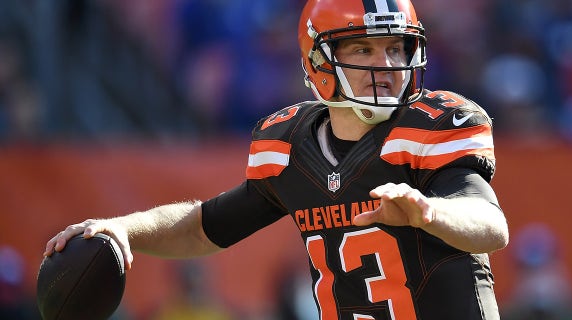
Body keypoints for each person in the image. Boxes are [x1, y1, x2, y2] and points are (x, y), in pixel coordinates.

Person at [43, 0, 509, 318]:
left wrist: (430, 212)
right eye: (364, 49)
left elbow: (490, 223)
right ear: (319, 61)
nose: (386, 66)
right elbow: (204, 225)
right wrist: (124, 228)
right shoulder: (290, 146)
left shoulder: (436, 125)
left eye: (395, 48)